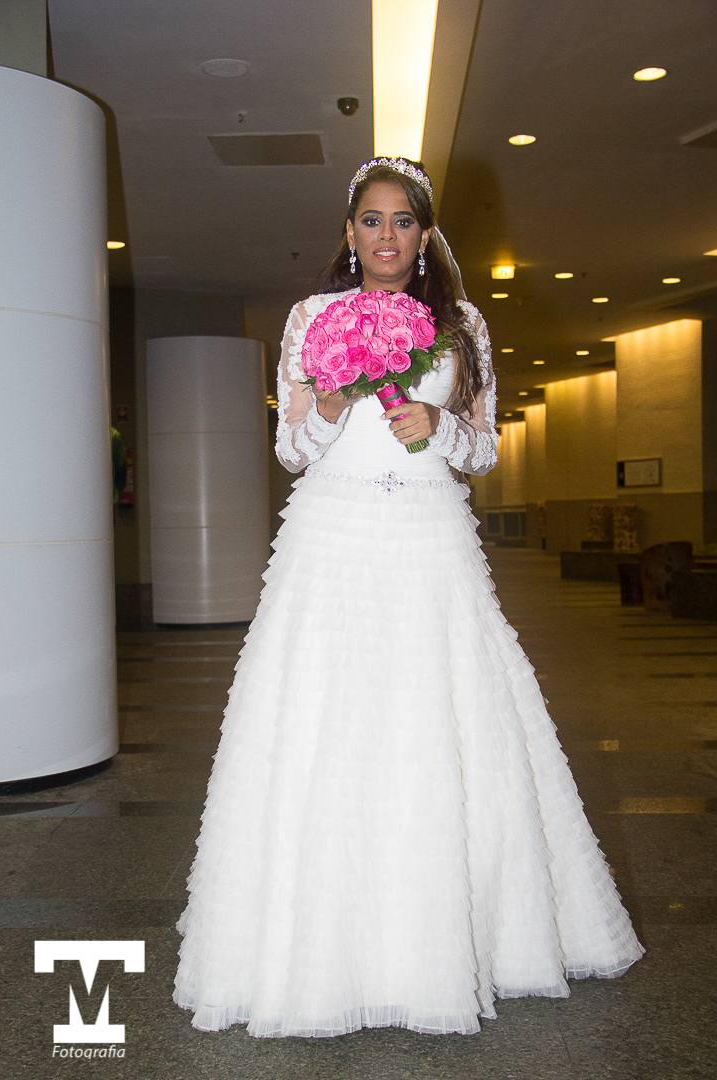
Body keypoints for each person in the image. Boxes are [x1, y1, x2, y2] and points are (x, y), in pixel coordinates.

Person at [173, 157, 643, 1039]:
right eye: (370, 221)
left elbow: (484, 449)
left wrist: (443, 427)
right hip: (332, 541)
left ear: (424, 235)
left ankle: (453, 940)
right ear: (348, 233)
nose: (386, 236)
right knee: (326, 722)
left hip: (429, 537)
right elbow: (292, 449)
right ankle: (308, 949)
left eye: (402, 222)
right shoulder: (311, 317)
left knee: (442, 720)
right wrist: (333, 394)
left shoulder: (460, 323)